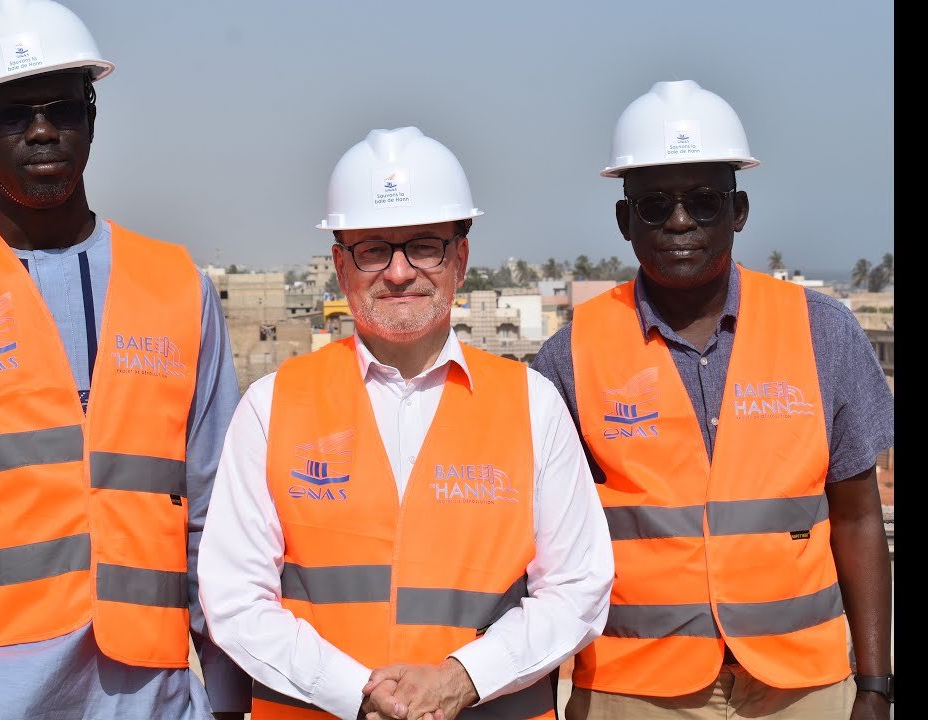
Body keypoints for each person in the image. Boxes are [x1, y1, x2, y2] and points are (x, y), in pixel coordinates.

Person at [0, 1, 250, 718]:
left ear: (91, 117)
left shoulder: (177, 291)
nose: (42, 131)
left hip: (150, 700)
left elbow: (215, 520)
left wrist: (226, 699)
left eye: (62, 109)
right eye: (12, 115)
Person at [196, 126, 615, 720]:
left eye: (424, 245)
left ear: (461, 259)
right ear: (341, 266)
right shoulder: (272, 407)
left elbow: (578, 587)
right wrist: (359, 695)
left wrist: (463, 678)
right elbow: (234, 597)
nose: (398, 273)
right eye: (372, 248)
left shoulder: (532, 404)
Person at [530, 79, 895, 720]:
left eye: (703, 201)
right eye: (653, 205)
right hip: (633, 688)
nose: (679, 222)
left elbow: (861, 518)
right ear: (624, 220)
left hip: (804, 686)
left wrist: (874, 685)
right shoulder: (572, 355)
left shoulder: (822, 331)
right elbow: (545, 542)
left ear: (740, 210)